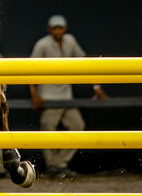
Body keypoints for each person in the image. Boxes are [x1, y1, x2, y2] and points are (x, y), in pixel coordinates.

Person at [29, 15, 108, 179]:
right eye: (55, 28)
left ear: (64, 29)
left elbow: (85, 63)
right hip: (48, 96)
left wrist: (96, 86)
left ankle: (58, 164)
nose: (58, 30)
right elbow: (30, 69)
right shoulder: (42, 44)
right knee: (48, 132)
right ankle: (53, 166)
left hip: (66, 95)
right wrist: (35, 95)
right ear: (50, 29)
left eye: (60, 27)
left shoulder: (70, 41)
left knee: (78, 126)